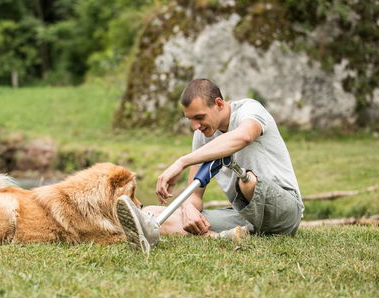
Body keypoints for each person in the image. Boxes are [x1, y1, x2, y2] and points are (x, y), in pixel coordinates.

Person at [116, 78, 304, 253]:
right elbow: (194, 194)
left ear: (219, 104)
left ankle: (224, 235)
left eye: (199, 117)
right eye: (190, 119)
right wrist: (189, 209)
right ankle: (222, 237)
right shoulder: (202, 136)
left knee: (247, 182)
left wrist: (182, 161)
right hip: (245, 217)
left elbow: (245, 136)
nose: (195, 126)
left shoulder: (249, 110)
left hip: (284, 212)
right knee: (151, 213)